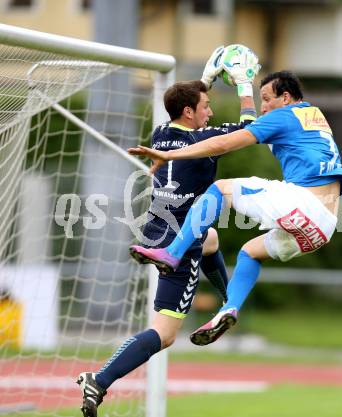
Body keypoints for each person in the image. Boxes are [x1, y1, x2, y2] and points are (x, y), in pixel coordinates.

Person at [76, 45, 260, 417]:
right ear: (190, 112)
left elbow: (186, 104)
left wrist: (206, 78)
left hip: (158, 230)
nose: (210, 113)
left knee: (212, 239)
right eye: (206, 107)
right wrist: (243, 83)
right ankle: (100, 380)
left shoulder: (162, 133)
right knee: (165, 333)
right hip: (181, 241)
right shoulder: (203, 144)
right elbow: (251, 127)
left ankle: (228, 305)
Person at [126, 70, 342, 347]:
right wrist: (242, 85)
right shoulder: (311, 117)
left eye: (267, 99)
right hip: (325, 224)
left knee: (221, 189)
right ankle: (229, 309)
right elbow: (251, 125)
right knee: (250, 252)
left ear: (286, 97)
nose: (264, 107)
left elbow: (226, 142)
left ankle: (172, 254)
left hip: (304, 203)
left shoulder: (285, 116)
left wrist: (169, 154)